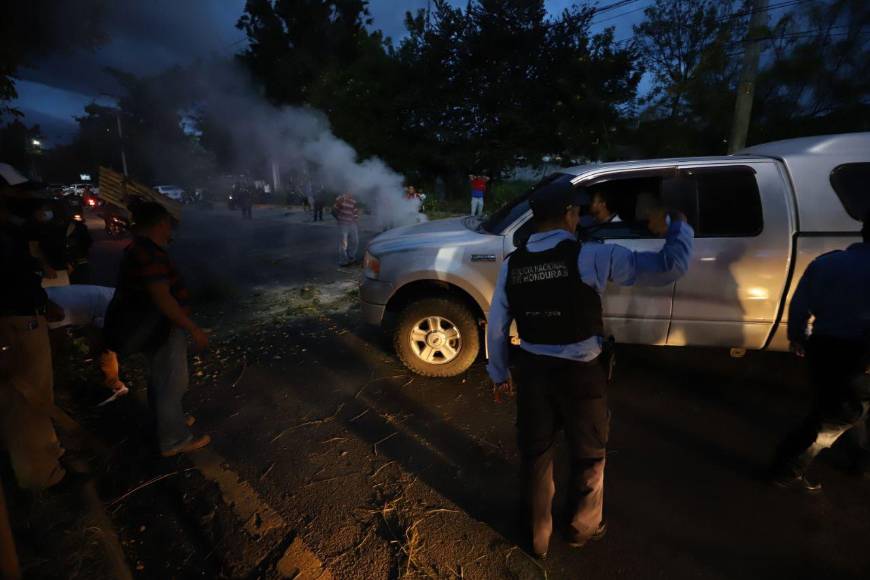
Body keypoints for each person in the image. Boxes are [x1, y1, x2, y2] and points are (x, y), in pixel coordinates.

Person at [486, 179, 694, 559]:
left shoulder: (512, 264)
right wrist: (679, 224)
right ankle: (582, 530)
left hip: (533, 372)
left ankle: (537, 537)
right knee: (588, 455)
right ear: (569, 214)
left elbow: (497, 323)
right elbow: (669, 267)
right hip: (581, 377)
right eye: (576, 211)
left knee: (536, 454)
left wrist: (499, 373)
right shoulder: (594, 256)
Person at [771, 211, 870, 492]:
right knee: (840, 415)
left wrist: (798, 337)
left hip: (824, 348)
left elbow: (800, 304)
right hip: (861, 357)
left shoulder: (827, 263)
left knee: (835, 403)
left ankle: (861, 461)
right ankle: (787, 470)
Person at [103, 202, 210, 457]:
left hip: (152, 327)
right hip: (160, 327)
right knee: (172, 382)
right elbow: (162, 298)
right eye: (169, 224)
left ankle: (166, 423)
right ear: (161, 223)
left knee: (161, 379)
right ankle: (174, 439)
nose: (171, 229)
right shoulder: (148, 253)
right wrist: (192, 328)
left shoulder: (141, 249)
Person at [0, 181, 66, 490]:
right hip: (17, 325)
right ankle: (41, 474)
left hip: (22, 317)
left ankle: (45, 459)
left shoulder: (12, 235)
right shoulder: (5, 238)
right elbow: (13, 281)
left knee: (30, 396)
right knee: (30, 398)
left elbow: (28, 274)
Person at [334, 191, 360, 266]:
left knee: (355, 241)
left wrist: (356, 222)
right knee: (343, 243)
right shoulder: (340, 199)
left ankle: (351, 257)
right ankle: (343, 261)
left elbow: (355, 213)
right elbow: (334, 210)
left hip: (352, 224)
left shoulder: (353, 201)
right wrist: (339, 219)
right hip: (343, 225)